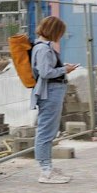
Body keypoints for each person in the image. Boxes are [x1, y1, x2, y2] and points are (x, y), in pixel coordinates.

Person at [30, 16, 79, 183]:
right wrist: (64, 69)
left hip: (51, 91)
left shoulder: (43, 47)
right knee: (46, 131)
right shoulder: (43, 49)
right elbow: (45, 72)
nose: (61, 36)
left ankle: (47, 166)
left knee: (49, 130)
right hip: (50, 92)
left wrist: (62, 67)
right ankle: (45, 170)